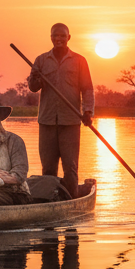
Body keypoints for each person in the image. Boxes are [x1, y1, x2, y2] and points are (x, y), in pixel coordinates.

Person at [27, 22, 95, 199]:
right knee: (48, 168)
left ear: (68, 38)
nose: (59, 39)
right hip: (47, 121)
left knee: (70, 167)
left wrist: (87, 112)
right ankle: (48, 201)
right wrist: (36, 78)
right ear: (51, 38)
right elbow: (33, 87)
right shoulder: (41, 60)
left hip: (70, 121)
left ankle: (71, 201)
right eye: (55, 36)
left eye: (62, 36)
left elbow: (87, 88)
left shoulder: (80, 61)